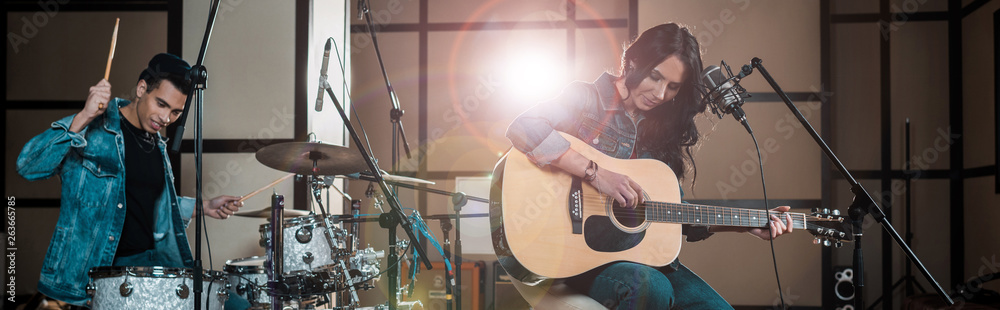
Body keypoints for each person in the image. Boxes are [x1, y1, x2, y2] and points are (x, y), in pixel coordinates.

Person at [505, 23, 795, 309]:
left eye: (672, 87)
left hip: (637, 257)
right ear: (633, 62)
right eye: (655, 77)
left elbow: (674, 212)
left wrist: (747, 225)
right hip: (576, 252)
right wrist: (596, 173)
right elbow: (524, 128)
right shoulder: (586, 98)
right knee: (651, 288)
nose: (659, 93)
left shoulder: (663, 129)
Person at [17, 53, 246, 307]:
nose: (165, 118)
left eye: (175, 112)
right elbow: (28, 166)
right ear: (141, 89)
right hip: (111, 273)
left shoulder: (157, 145)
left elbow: (146, 202)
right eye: (161, 104)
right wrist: (83, 116)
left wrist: (203, 207)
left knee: (236, 304)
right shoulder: (94, 129)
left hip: (157, 264)